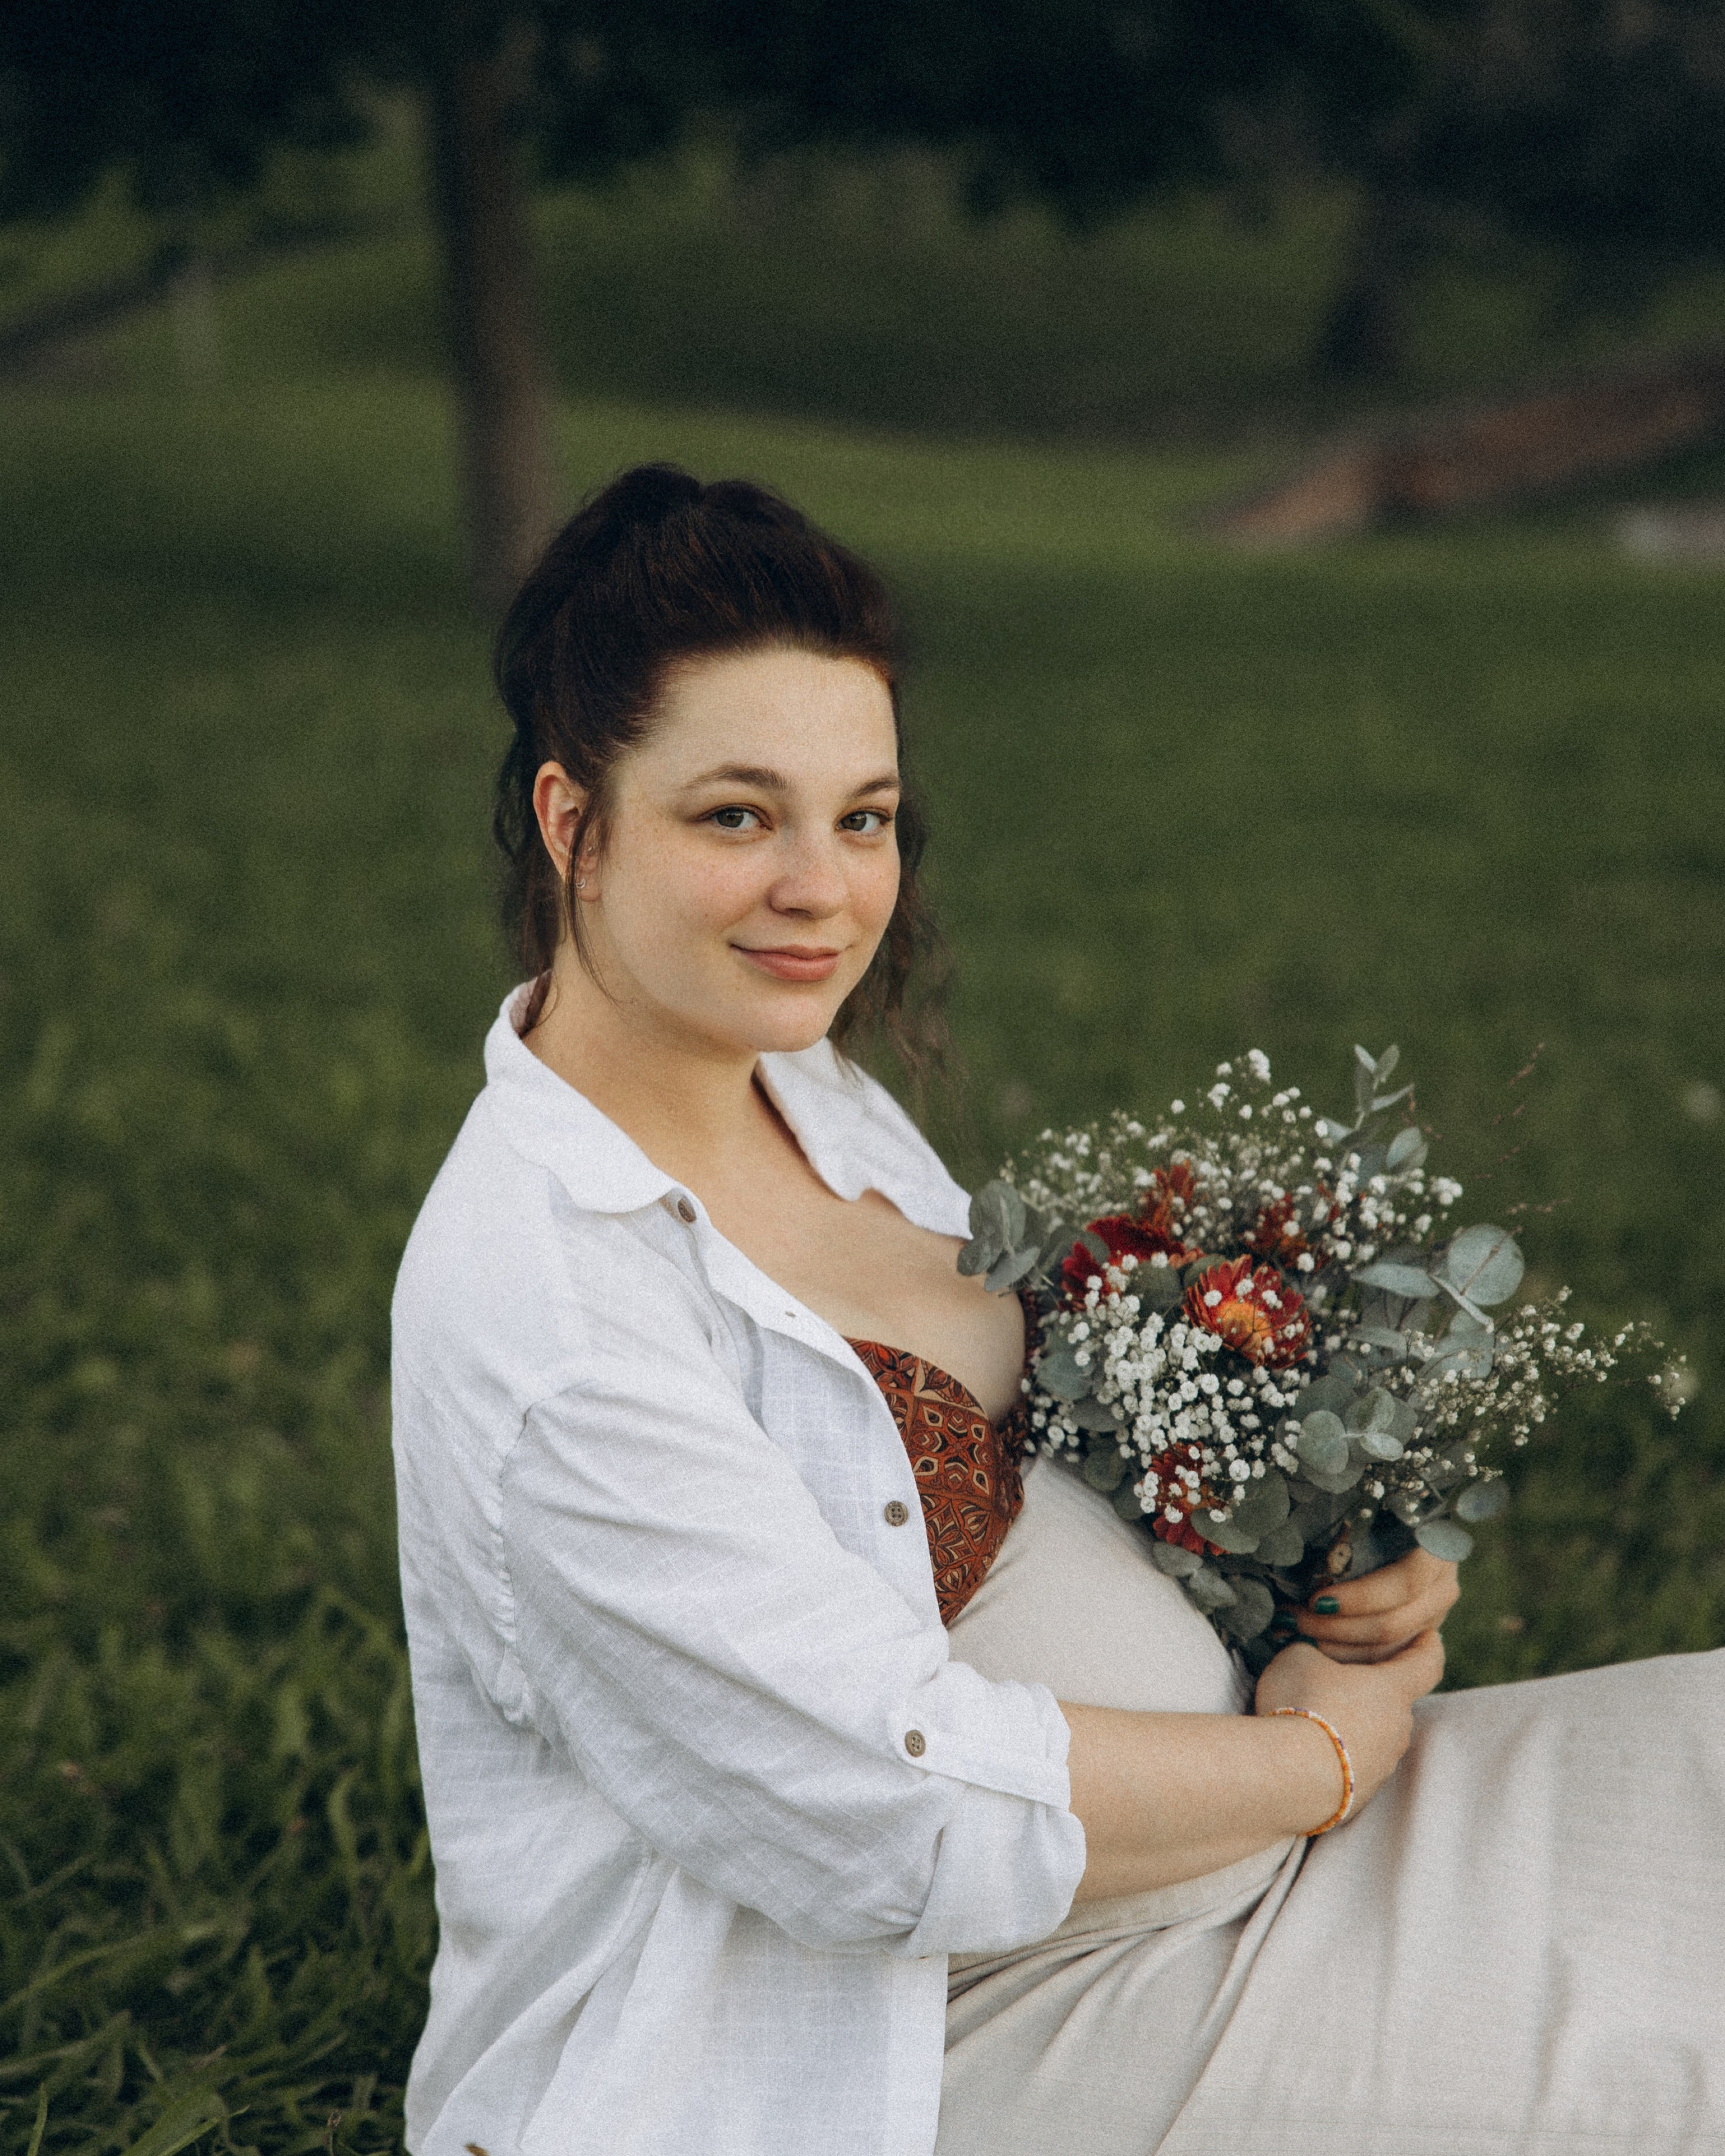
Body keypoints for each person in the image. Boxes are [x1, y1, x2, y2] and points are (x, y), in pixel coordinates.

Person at [391, 464, 1725, 2156]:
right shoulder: (555, 1316)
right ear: (573, 821)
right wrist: (1320, 1758)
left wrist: (1309, 1585)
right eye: (737, 815)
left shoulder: (813, 1099)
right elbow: (883, 1812)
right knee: (1671, 2068)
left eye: (859, 816)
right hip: (934, 2028)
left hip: (1243, 1846)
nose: (821, 887)